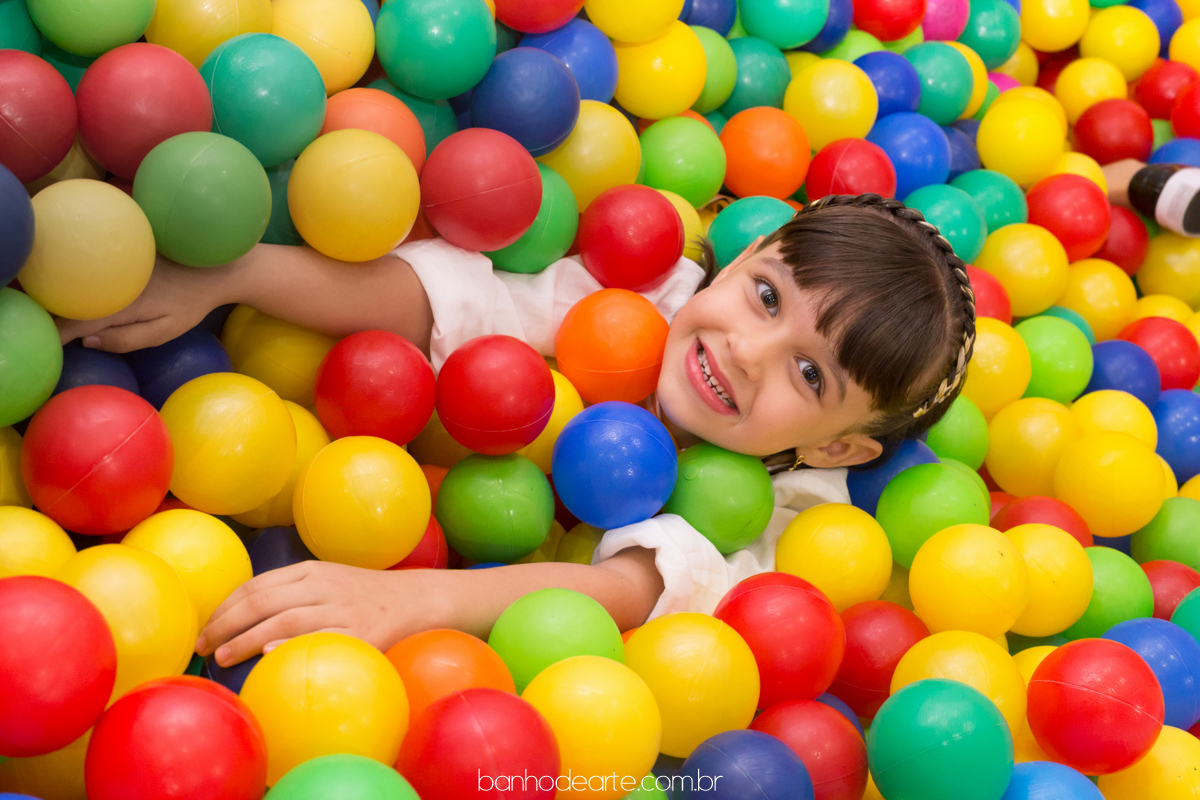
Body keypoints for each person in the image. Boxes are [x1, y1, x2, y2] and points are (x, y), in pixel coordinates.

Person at [56, 194, 975, 668]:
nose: (745, 350)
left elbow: (639, 585)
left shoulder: (801, 511)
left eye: (810, 375)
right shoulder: (641, 304)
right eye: (765, 296)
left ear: (838, 448)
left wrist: (416, 602)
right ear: (737, 257)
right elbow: (453, 303)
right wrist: (237, 275)